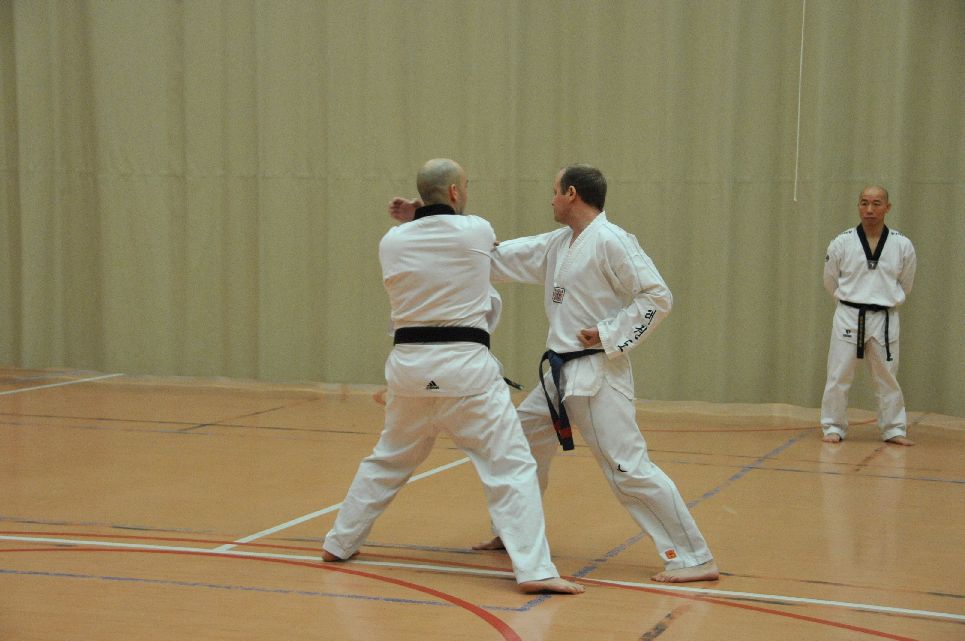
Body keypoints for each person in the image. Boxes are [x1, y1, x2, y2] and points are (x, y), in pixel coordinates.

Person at [390, 164, 718, 583]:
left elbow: (657, 297)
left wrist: (608, 333)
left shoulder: (612, 241)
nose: (550, 199)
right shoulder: (558, 244)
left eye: (554, 191)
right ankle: (512, 534)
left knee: (627, 468)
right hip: (560, 374)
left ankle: (693, 557)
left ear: (572, 194)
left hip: (597, 372)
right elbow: (486, 258)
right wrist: (425, 221)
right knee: (520, 444)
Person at [323, 159, 583, 595]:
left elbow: (434, 238)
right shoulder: (476, 230)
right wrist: (426, 210)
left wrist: (417, 213)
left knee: (387, 460)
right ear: (457, 193)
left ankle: (339, 542)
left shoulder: (391, 240)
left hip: (408, 371)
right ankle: (535, 569)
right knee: (512, 467)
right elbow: (458, 236)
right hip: (465, 371)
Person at [820, 185, 916, 445]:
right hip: (849, 314)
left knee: (887, 377)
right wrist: (850, 301)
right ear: (858, 206)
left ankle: (894, 429)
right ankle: (833, 426)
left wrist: (884, 300)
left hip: (884, 317)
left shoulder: (902, 244)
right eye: (864, 203)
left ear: (887, 207)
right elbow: (830, 281)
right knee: (838, 374)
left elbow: (905, 284)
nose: (870, 209)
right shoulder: (841, 242)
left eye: (876, 203)